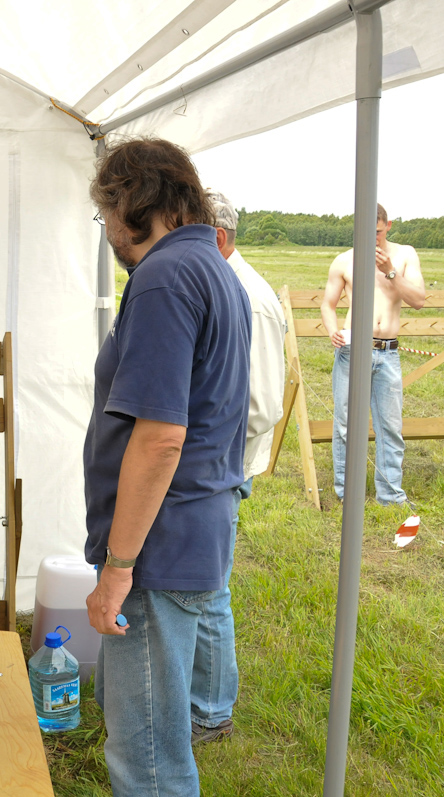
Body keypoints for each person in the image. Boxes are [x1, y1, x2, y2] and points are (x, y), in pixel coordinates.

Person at [83, 138, 251, 796]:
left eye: (106, 218)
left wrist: (118, 567)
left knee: (147, 756)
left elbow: (159, 438)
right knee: (156, 734)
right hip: (191, 526)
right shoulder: (212, 265)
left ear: (132, 204)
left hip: (157, 545)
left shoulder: (163, 277)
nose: (109, 236)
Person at [189, 191, 286, 744]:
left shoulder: (246, 296)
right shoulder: (227, 284)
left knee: (208, 592)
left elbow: (261, 405)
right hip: (214, 461)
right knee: (204, 587)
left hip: (220, 466)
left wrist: (203, 452)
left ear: (219, 239)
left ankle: (211, 712)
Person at [320, 204, 426, 505]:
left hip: (388, 351)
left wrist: (389, 271)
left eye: (377, 233)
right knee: (344, 425)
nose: (371, 240)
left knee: (390, 426)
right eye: (365, 233)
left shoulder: (405, 255)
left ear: (387, 226)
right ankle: (347, 492)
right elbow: (328, 304)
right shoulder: (344, 260)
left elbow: (418, 300)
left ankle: (390, 495)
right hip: (353, 351)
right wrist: (333, 331)